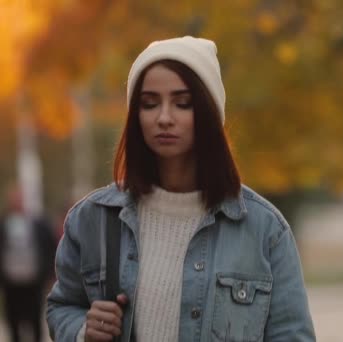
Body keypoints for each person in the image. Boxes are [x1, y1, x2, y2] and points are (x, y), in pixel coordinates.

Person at [46, 36, 315, 342]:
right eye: (149, 104)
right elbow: (62, 305)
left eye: (182, 103)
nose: (163, 118)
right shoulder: (93, 218)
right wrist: (83, 331)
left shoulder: (264, 229)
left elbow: (292, 335)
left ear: (208, 112)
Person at [0, 185, 56, 342]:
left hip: (33, 280)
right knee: (13, 320)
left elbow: (49, 246)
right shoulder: (4, 223)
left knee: (34, 319)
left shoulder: (38, 223)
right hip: (11, 282)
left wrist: (49, 273)